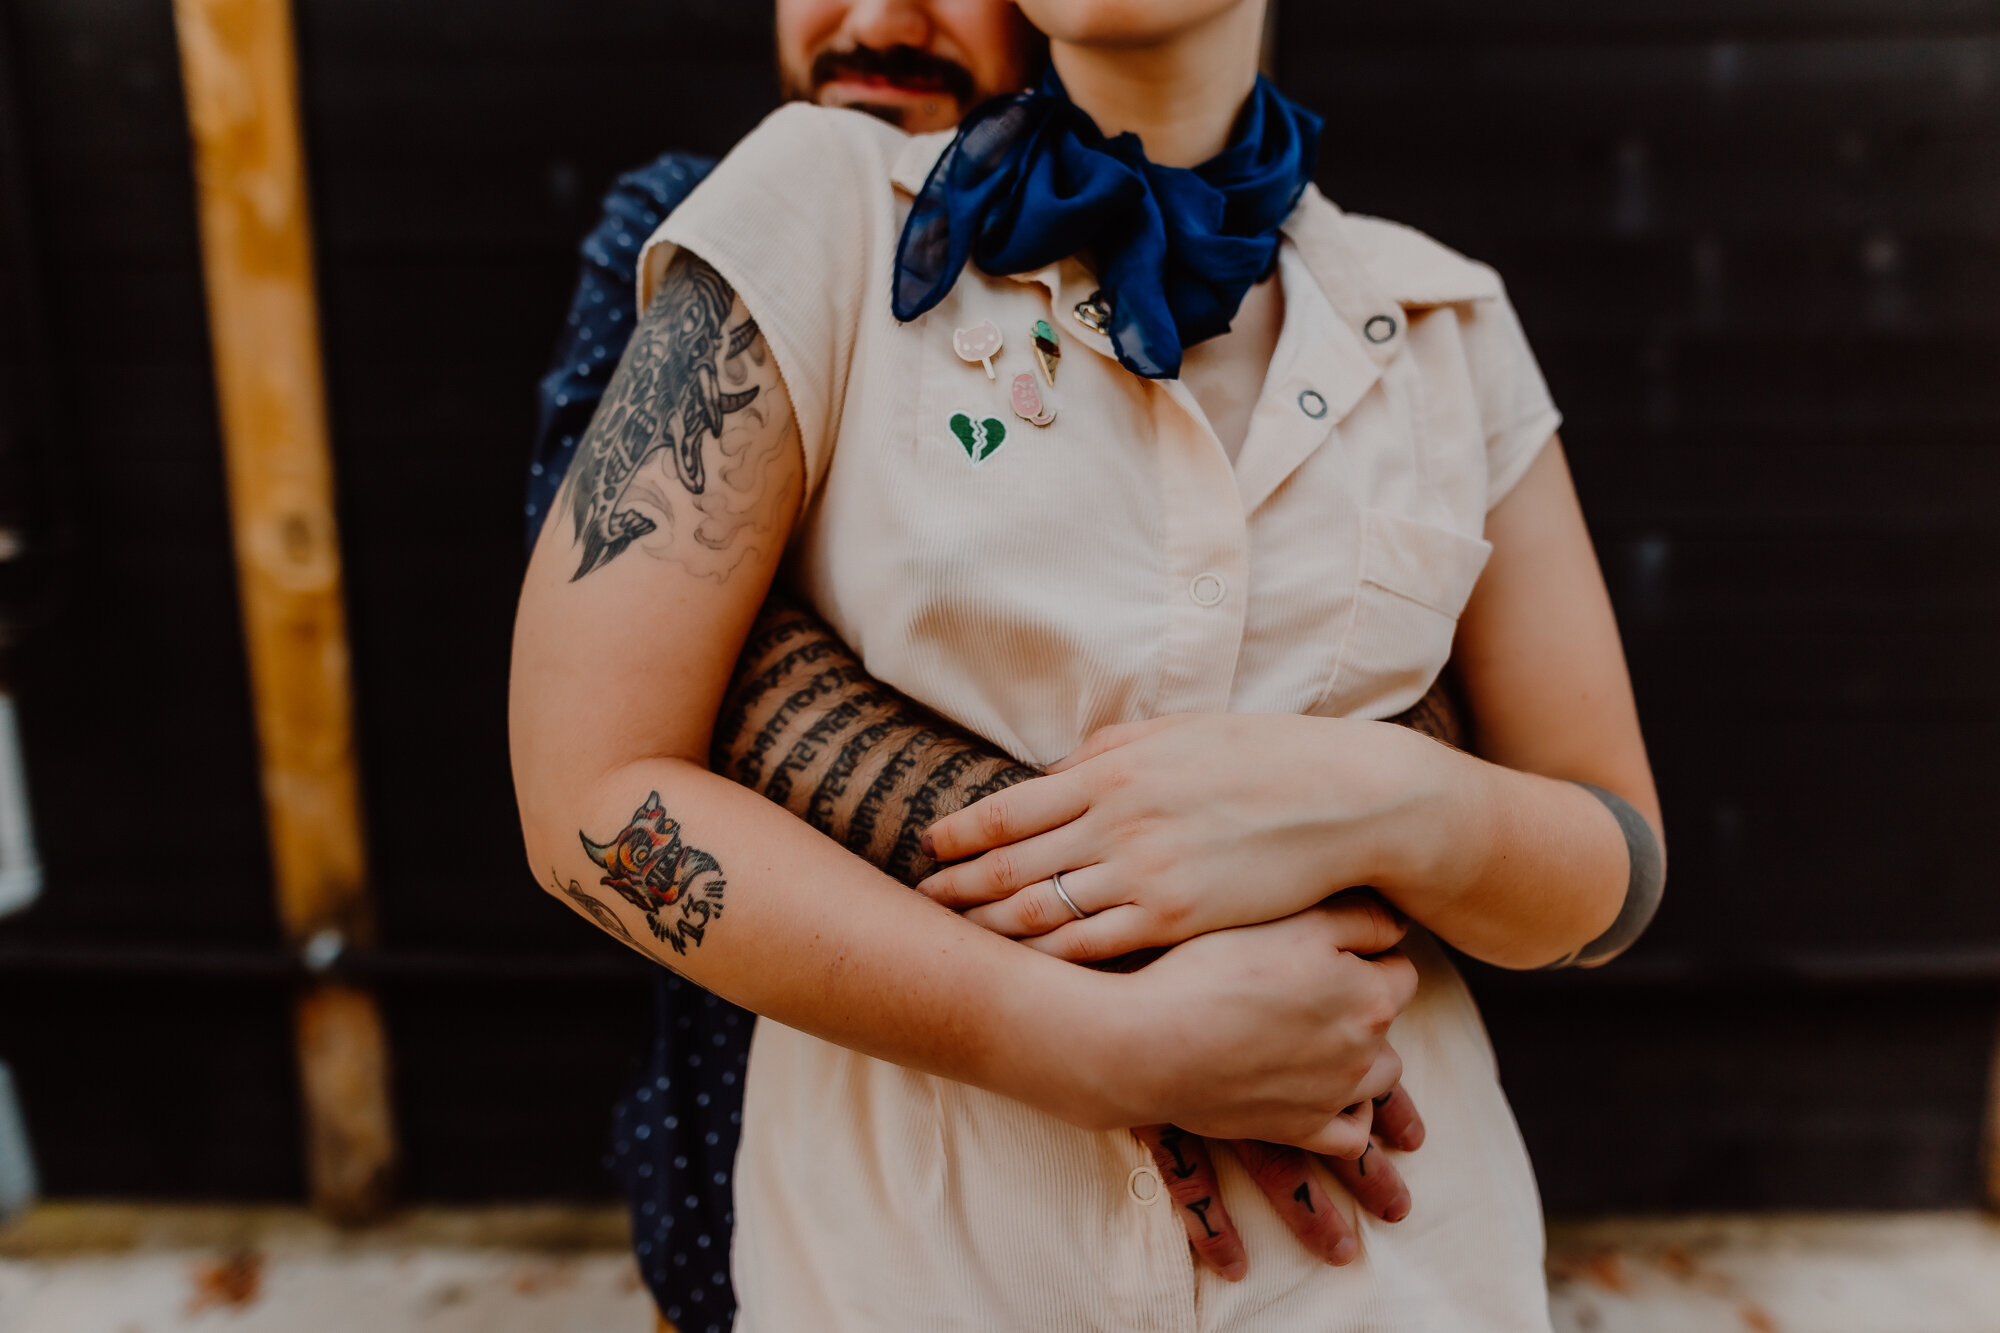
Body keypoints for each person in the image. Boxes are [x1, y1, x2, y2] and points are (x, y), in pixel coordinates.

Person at [511, 0, 1665, 1327]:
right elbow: (588, 797)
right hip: (914, 1279)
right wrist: (1097, 1042)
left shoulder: (1444, 320)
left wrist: (1377, 798)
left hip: (1399, 1275)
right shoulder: (812, 207)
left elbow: (1613, 861)